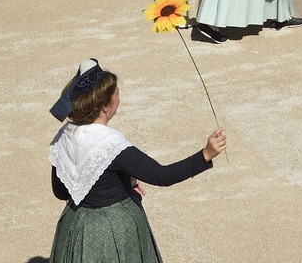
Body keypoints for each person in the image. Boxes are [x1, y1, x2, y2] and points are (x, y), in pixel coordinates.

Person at [47, 59, 225, 260]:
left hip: (77, 228)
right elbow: (162, 175)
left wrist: (121, 182)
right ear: (105, 106)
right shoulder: (111, 144)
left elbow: (61, 191)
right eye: (117, 94)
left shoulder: (65, 135)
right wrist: (206, 154)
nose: (119, 98)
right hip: (115, 231)